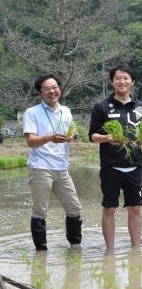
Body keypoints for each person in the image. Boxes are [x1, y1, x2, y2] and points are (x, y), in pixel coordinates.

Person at [89, 63, 142, 250]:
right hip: (110, 167)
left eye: (126, 78)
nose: (122, 82)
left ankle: (136, 249)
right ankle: (110, 250)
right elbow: (92, 136)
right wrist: (108, 138)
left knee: (135, 208)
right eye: (118, 78)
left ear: (132, 82)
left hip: (134, 165)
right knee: (109, 208)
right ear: (112, 81)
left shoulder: (141, 107)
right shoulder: (102, 106)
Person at [23, 74, 82, 251]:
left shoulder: (66, 111)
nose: (52, 91)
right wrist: (49, 138)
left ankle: (75, 248)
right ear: (40, 93)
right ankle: (41, 253)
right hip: (40, 167)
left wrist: (74, 136)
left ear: (60, 89)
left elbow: (72, 132)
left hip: (62, 168)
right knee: (40, 210)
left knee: (74, 208)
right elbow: (30, 141)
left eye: (55, 87)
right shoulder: (32, 113)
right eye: (47, 88)